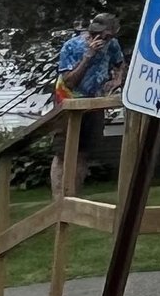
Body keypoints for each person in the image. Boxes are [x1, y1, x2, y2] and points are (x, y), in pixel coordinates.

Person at [53, 13, 124, 191]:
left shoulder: (112, 45)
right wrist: (88, 56)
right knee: (63, 153)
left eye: (107, 36)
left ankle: (73, 198)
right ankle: (57, 202)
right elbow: (69, 81)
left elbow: (120, 63)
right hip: (69, 103)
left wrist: (117, 79)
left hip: (94, 104)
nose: (101, 39)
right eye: (97, 34)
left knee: (83, 153)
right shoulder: (72, 46)